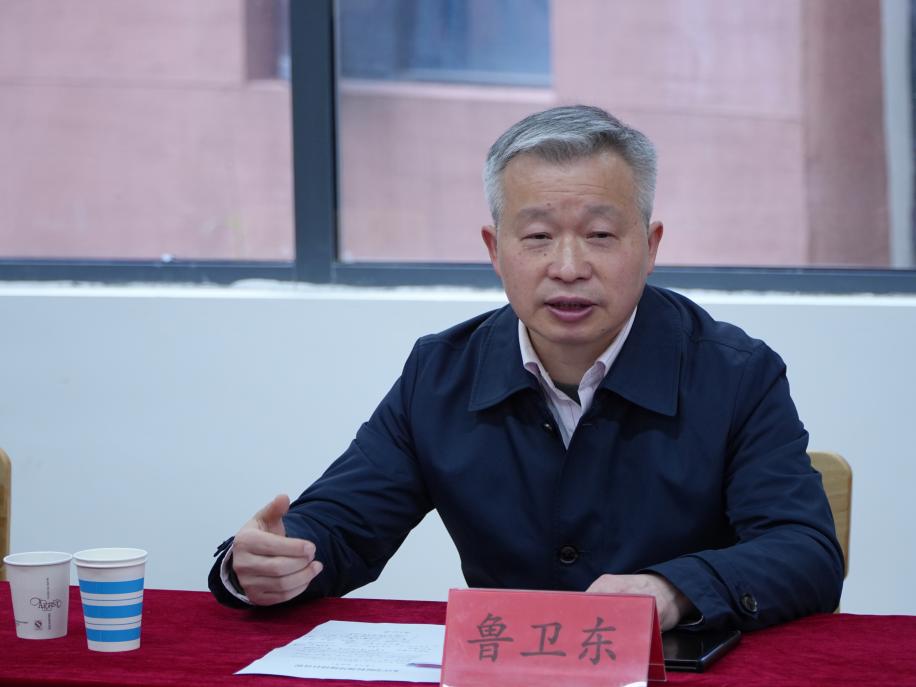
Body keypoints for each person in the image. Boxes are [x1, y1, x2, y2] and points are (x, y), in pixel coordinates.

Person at [209, 105, 843, 631]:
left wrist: (672, 590)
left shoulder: (737, 375)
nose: (568, 267)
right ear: (495, 249)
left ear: (650, 247)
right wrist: (265, 562)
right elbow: (342, 527)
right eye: (537, 237)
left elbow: (806, 552)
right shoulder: (441, 374)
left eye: (600, 235)